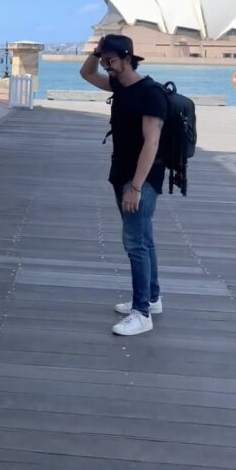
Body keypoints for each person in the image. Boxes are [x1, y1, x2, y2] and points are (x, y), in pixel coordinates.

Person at [80, 34, 167, 336]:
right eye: (105, 61)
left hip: (142, 177)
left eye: (112, 61)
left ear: (128, 58)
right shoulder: (118, 85)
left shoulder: (151, 94)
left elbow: (152, 142)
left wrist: (136, 187)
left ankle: (141, 313)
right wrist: (97, 50)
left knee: (135, 243)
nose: (107, 67)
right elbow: (86, 73)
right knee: (144, 237)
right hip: (121, 173)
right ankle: (152, 298)